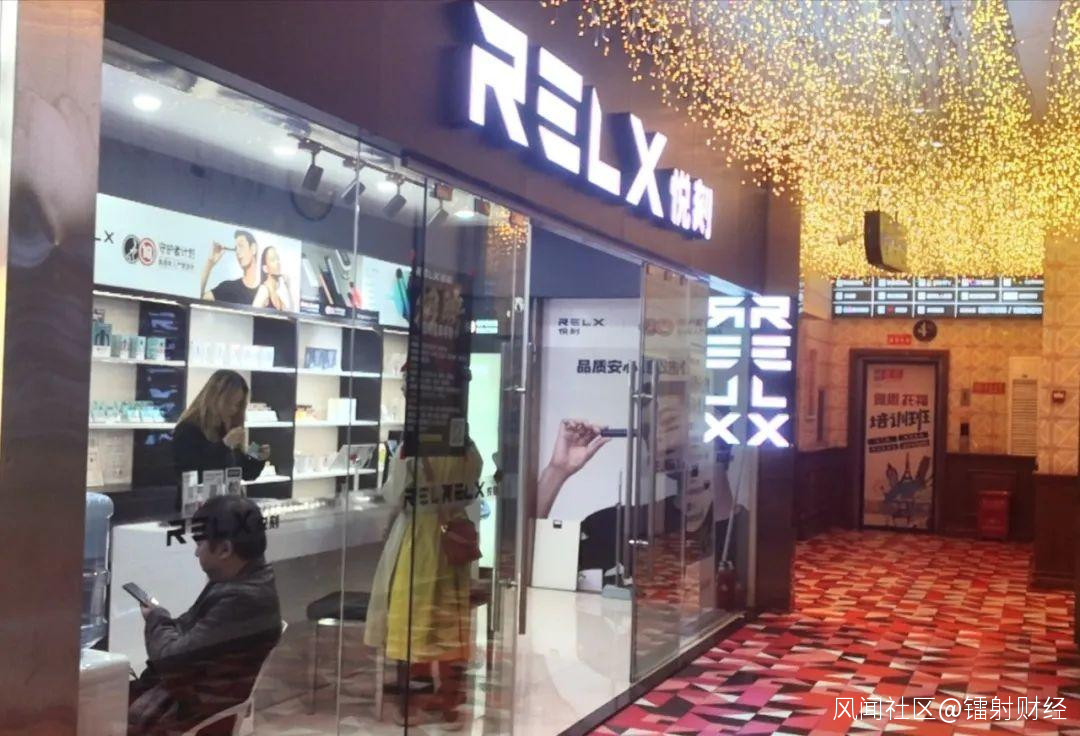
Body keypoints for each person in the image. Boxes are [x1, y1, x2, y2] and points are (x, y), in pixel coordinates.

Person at [128, 495, 282, 735]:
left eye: (199, 544)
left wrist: (156, 619)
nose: (196, 553)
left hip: (190, 710)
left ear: (224, 549)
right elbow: (186, 636)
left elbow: (170, 659)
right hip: (195, 697)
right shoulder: (242, 582)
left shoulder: (241, 600)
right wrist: (162, 620)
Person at [365, 435, 484, 730]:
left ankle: (408, 705)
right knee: (448, 624)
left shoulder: (413, 449)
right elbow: (470, 492)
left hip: (416, 540)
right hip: (451, 539)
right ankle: (450, 701)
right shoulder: (468, 448)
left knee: (408, 621)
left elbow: (394, 494)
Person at [174, 370, 270, 499]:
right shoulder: (188, 429)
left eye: (238, 404)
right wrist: (224, 445)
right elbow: (192, 472)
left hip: (226, 504)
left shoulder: (225, 428)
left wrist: (257, 457)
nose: (233, 409)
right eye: (229, 403)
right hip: (197, 505)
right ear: (214, 399)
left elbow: (244, 473)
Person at [200, 230, 261, 305]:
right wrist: (210, 262)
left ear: (253, 248)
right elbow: (200, 301)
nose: (237, 252)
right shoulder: (228, 287)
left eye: (241, 246)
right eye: (236, 248)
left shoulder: (267, 290)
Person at [252, 245, 293, 311]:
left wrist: (288, 288)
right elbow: (252, 313)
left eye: (278, 258)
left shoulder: (277, 294)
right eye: (273, 260)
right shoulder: (264, 290)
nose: (277, 262)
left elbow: (290, 313)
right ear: (265, 268)